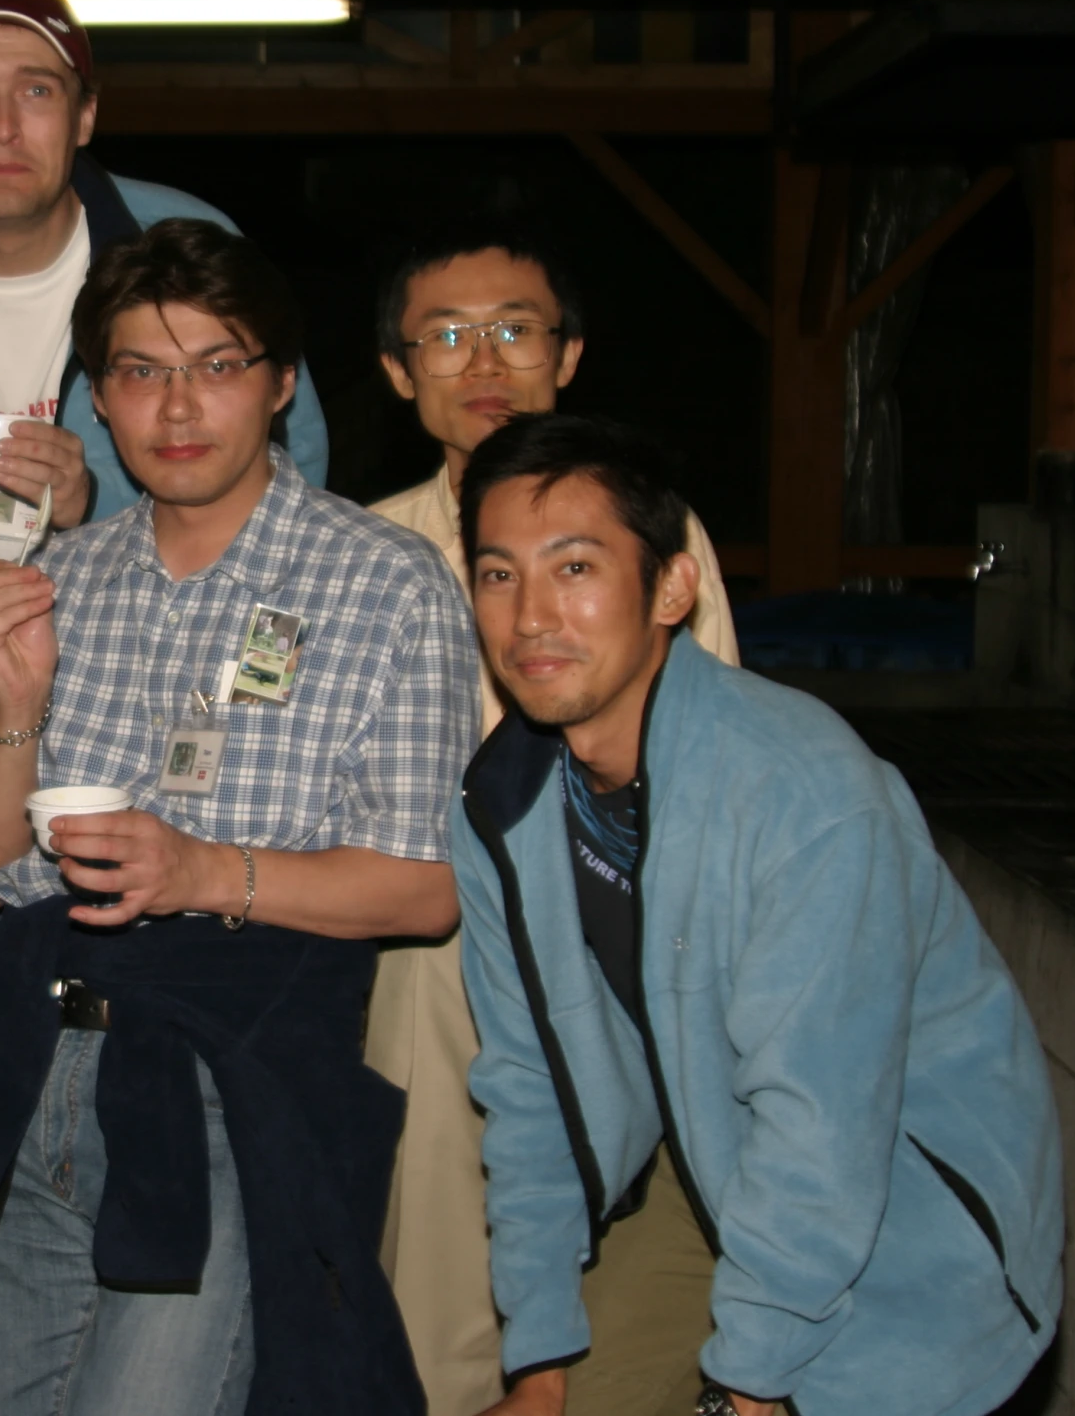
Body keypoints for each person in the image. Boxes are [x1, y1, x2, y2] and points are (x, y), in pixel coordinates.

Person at [0, 219, 477, 1416]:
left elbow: (425, 886)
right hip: (31, 1064)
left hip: (228, 1078)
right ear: (96, 402)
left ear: (279, 385)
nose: (178, 406)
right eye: (140, 371)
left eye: (216, 365)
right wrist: (12, 706)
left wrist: (206, 869)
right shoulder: (64, 576)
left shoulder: (386, 580)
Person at [454, 414, 1062, 1416]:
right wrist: (540, 1355)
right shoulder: (503, 802)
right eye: (495, 573)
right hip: (710, 1183)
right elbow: (528, 1095)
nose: (528, 617)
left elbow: (818, 1122)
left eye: (573, 568)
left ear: (672, 588)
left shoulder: (798, 789)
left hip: (914, 1235)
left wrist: (746, 1387)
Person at [0, 0, 331, 974]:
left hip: (157, 682)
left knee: (176, 972)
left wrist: (109, 504)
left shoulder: (180, 239)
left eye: (37, 92)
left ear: (86, 114)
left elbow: (292, 453)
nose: (2, 124)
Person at [363, 224, 740, 1414]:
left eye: (516, 329)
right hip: (424, 980)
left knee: (609, 1320)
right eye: (445, 335)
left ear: (566, 355)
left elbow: (709, 776)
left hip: (619, 974)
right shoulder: (357, 550)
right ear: (395, 372)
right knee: (432, 1321)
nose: (485, 359)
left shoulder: (656, 539)